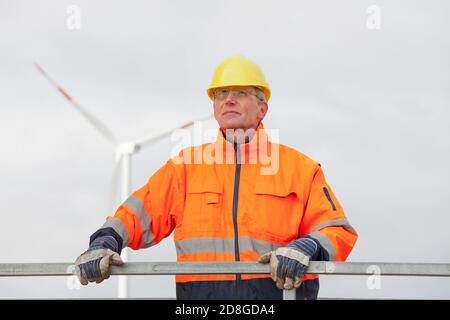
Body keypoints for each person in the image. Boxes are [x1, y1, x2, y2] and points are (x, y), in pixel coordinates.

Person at [74, 55, 358, 300]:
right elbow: (136, 214)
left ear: (263, 108)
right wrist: (104, 242)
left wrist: (306, 247)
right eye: (221, 94)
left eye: (240, 92)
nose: (229, 99)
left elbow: (337, 231)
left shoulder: (300, 169)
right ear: (214, 107)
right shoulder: (186, 167)